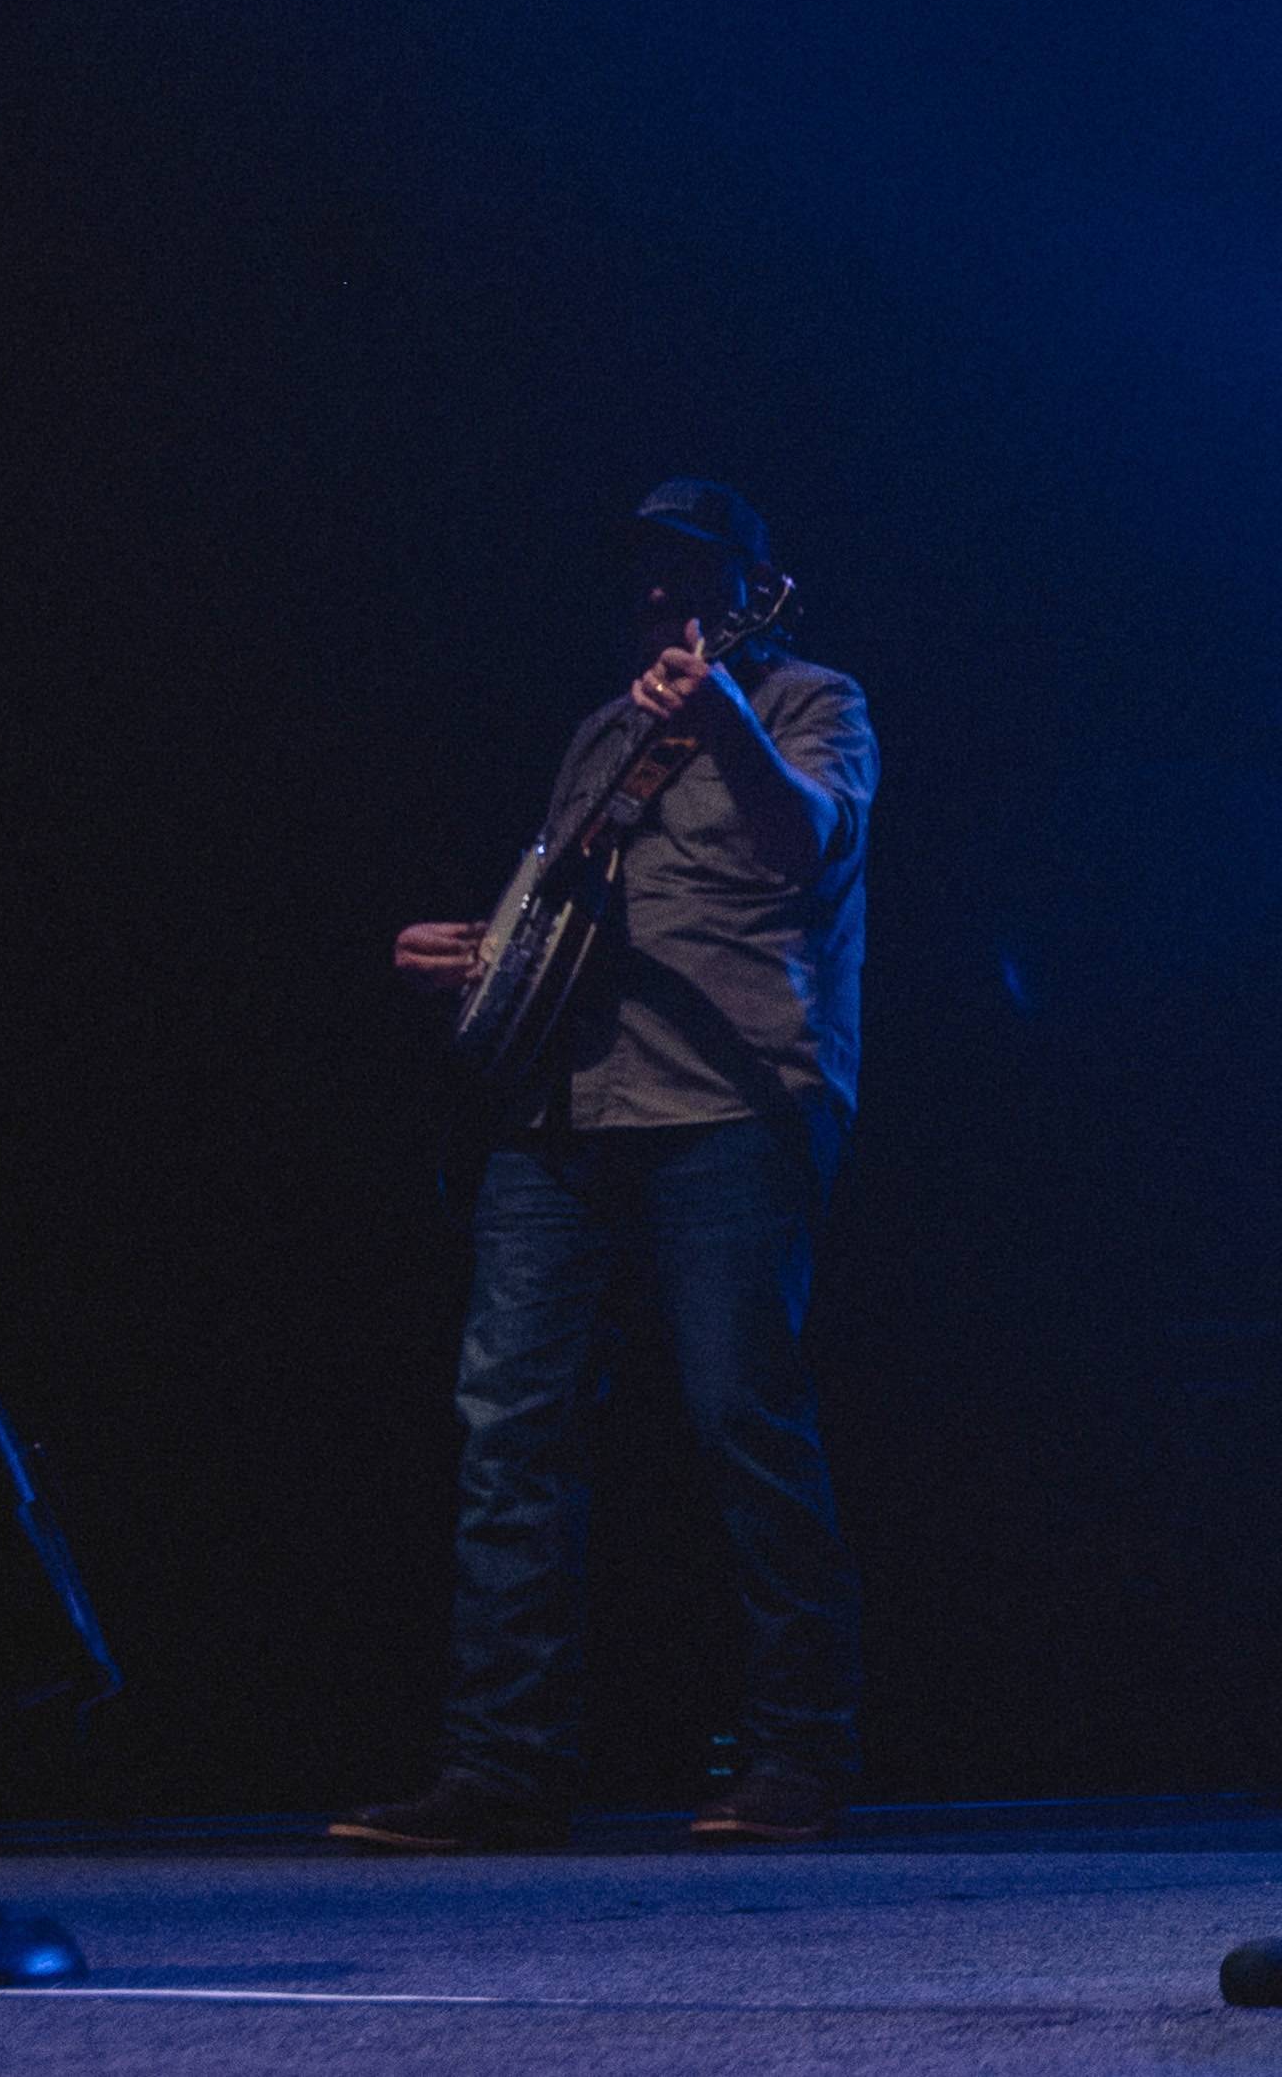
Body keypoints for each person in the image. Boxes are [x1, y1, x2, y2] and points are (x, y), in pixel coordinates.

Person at [335, 483, 877, 1852]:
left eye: (684, 568)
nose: (653, 593)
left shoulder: (812, 700)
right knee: (508, 1427)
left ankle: (800, 1757)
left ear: (754, 580)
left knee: (740, 1417)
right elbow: (559, 905)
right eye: (638, 570)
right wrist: (480, 950)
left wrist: (726, 723)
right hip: (558, 1111)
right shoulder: (599, 734)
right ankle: (501, 1770)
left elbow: (803, 845)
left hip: (733, 1107)